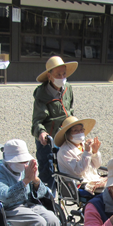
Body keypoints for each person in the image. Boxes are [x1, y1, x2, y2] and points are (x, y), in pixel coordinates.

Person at [32, 56, 78, 189]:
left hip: (64, 135)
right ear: (49, 75)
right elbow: (37, 121)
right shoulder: (42, 94)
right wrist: (41, 132)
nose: (62, 77)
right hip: (49, 138)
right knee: (48, 172)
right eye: (58, 74)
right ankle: (47, 200)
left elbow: (70, 109)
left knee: (68, 168)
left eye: (64, 73)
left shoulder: (68, 88)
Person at [55, 116, 107, 197]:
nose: (79, 132)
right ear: (68, 134)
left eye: (81, 130)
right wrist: (86, 152)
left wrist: (95, 152)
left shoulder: (84, 144)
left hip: (93, 178)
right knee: (109, 192)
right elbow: (80, 170)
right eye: (76, 130)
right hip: (79, 183)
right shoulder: (64, 151)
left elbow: (97, 165)